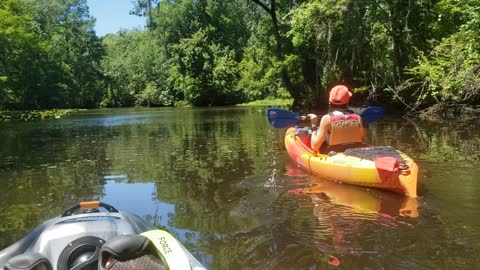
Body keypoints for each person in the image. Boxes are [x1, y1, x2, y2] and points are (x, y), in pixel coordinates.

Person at [306, 84, 366, 153]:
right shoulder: (357, 118)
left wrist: (314, 125)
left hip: (332, 154)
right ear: (348, 100)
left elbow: (314, 147)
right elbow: (361, 136)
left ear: (329, 101)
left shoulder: (327, 119)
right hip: (354, 153)